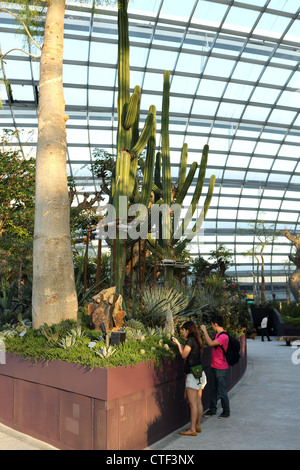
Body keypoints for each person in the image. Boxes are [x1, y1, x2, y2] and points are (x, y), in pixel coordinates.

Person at [172, 321, 207, 436]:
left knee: (192, 404)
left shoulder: (190, 340)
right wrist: (180, 344)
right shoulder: (197, 339)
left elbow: (183, 355)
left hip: (192, 374)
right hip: (200, 372)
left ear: (188, 330)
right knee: (198, 401)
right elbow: (189, 352)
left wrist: (178, 345)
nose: (183, 332)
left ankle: (191, 430)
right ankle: (197, 426)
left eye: (183, 330)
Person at [200, 315, 230, 419]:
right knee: (212, 389)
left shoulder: (223, 336)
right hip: (214, 366)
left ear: (215, 324)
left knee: (221, 390)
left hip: (221, 368)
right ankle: (212, 409)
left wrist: (205, 331)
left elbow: (210, 343)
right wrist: (204, 334)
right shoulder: (217, 335)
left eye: (212, 324)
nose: (211, 326)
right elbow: (208, 344)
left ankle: (226, 411)